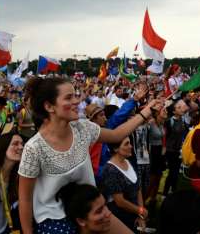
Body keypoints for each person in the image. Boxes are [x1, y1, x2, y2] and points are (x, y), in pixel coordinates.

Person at [18, 77, 161, 234]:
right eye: (68, 97)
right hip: (56, 221)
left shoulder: (82, 128)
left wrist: (147, 111)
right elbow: (25, 199)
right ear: (49, 106)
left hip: (93, 209)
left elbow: (116, 134)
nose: (77, 101)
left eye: (75, 95)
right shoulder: (34, 148)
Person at [101, 137, 147, 231]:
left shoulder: (128, 162)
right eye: (126, 144)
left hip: (135, 213)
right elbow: (120, 201)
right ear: (116, 148)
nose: (131, 146)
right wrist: (140, 211)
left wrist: (141, 214)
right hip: (121, 217)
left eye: (130, 143)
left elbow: (138, 188)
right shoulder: (111, 170)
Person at [163, 99, 188, 196]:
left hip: (178, 150)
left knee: (176, 172)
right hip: (170, 151)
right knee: (172, 172)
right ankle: (165, 193)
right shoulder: (169, 122)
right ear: (174, 111)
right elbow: (165, 137)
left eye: (180, 107)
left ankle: (173, 191)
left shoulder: (182, 119)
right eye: (178, 108)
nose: (181, 109)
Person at [145, 104, 167, 204]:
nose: (166, 111)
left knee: (159, 175)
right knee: (152, 177)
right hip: (152, 152)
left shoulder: (161, 123)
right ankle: (144, 200)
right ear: (157, 113)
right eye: (164, 110)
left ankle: (153, 198)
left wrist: (163, 147)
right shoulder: (150, 123)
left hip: (159, 151)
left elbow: (162, 137)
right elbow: (145, 139)